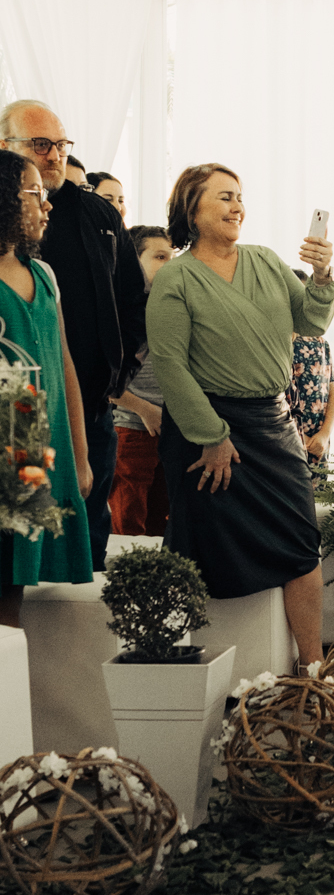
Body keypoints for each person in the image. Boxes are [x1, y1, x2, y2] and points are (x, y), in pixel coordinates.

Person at [146, 164, 334, 669]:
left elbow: (310, 321)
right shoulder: (175, 278)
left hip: (273, 428)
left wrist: (321, 276)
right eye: (224, 197)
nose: (237, 207)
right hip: (203, 429)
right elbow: (170, 364)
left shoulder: (267, 262)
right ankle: (179, 667)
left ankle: (311, 668)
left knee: (302, 542)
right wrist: (211, 435)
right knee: (197, 548)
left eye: (240, 197)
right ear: (192, 209)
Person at [0, 102, 145, 571]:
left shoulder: (98, 217)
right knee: (17, 557)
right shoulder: (19, 253)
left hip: (82, 414)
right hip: (19, 427)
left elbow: (130, 302)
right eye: (41, 145)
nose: (55, 154)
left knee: (79, 551)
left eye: (61, 145)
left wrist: (117, 379)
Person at [0, 149, 93, 626]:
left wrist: (79, 453)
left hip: (38, 452)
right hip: (6, 445)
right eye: (34, 193)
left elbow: (64, 367)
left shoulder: (44, 274)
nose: (47, 204)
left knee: (13, 582)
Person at [110, 226, 174, 536]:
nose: (169, 264)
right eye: (159, 256)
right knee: (128, 524)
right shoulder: (121, 309)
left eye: (172, 257)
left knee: (162, 524)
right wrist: (144, 410)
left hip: (171, 430)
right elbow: (102, 378)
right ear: (134, 260)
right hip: (132, 430)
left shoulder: (170, 306)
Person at [286, 270, 334, 481]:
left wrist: (324, 435)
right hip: (287, 442)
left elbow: (333, 395)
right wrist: (302, 439)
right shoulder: (276, 346)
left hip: (318, 446)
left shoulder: (321, 344)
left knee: (316, 505)